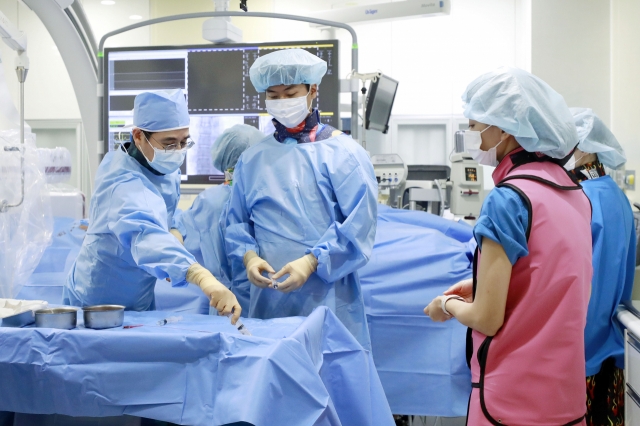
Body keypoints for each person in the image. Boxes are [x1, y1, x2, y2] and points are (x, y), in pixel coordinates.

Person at [424, 67, 593, 425]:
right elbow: (549, 278)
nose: (470, 135)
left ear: (502, 128)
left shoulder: (509, 199)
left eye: (473, 125)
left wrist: (447, 304)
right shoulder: (573, 192)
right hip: (564, 398)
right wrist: (481, 283)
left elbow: (486, 317)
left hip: (511, 401)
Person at [224, 48, 377, 348]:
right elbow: (236, 223)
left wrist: (311, 262)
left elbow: (360, 227)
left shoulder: (344, 154)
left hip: (327, 300)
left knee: (328, 377)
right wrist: (249, 256)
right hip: (268, 302)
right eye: (274, 95)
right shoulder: (253, 159)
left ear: (312, 91)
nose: (282, 103)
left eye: (290, 93)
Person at [63, 89, 241, 323]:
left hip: (140, 293)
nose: (178, 152)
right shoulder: (122, 183)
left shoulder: (159, 166)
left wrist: (174, 230)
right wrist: (201, 276)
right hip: (100, 298)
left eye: (183, 142)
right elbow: (147, 235)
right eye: (169, 143)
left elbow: (163, 210)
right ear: (138, 135)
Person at [566, 108, 635, 426]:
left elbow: (585, 286)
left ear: (584, 147)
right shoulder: (617, 196)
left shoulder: (582, 199)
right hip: (612, 344)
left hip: (584, 351)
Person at [172, 124, 266, 314]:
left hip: (221, 303)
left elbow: (178, 228)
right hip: (264, 302)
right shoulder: (265, 200)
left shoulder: (209, 201)